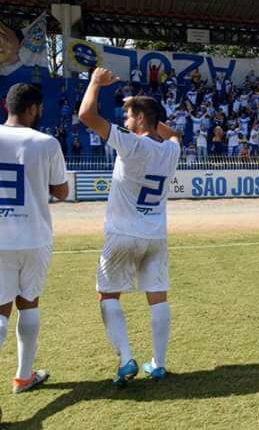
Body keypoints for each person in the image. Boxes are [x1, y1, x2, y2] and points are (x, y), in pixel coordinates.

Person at [79, 67, 181, 386]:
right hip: (155, 236)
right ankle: (159, 364)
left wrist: (95, 83)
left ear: (139, 119)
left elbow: (86, 114)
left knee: (108, 295)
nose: (125, 121)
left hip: (122, 235)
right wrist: (148, 112)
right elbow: (175, 134)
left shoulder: (132, 144)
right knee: (158, 298)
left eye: (129, 115)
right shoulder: (170, 150)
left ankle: (126, 360)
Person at [0, 83, 69, 394]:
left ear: (7, 106)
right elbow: (62, 191)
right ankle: (23, 376)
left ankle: (24, 378)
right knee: (29, 304)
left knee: (0, 310)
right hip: (34, 235)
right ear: (32, 109)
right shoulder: (46, 142)